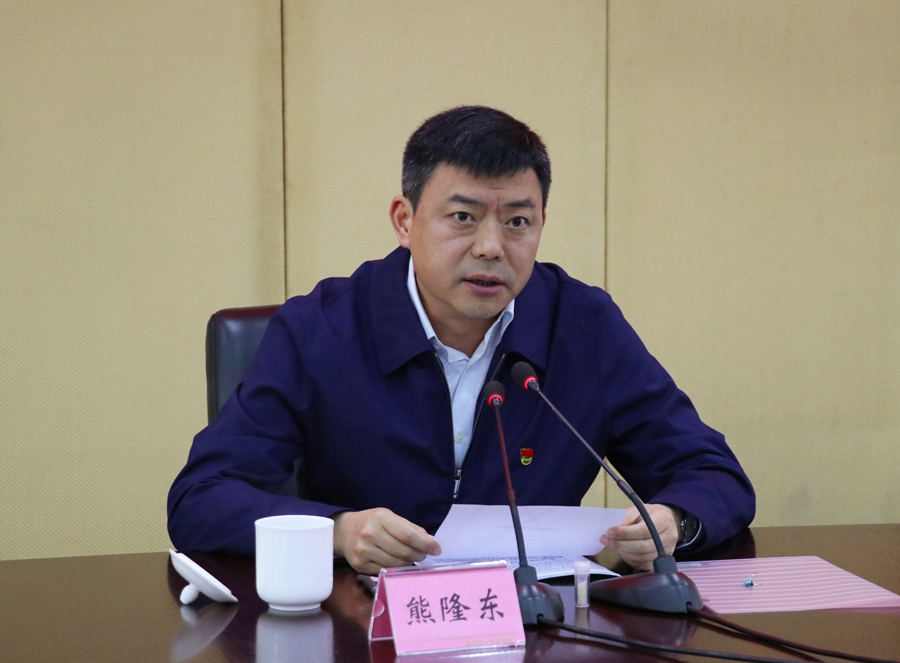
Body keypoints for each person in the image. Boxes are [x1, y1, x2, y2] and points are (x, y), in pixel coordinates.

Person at [168, 106, 755, 575]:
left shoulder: (582, 325)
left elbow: (713, 474)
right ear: (405, 221)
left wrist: (675, 521)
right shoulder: (320, 330)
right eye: (463, 218)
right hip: (360, 634)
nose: (491, 248)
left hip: (534, 633)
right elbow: (202, 498)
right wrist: (339, 532)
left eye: (517, 222)